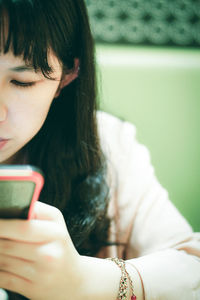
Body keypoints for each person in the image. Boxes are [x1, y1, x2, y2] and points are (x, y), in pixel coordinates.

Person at [0, 0, 199, 299]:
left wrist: (85, 281)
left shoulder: (106, 147)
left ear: (66, 77)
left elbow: (192, 270)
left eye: (22, 81)